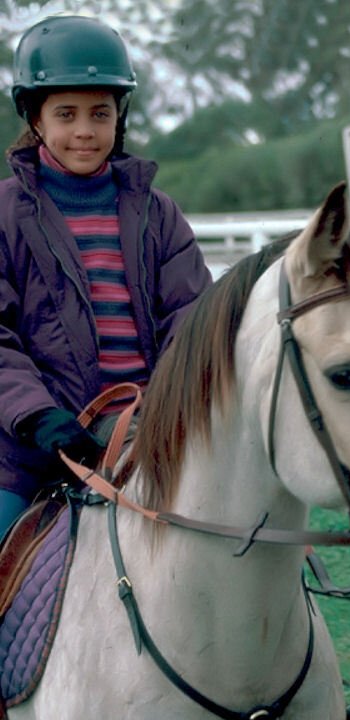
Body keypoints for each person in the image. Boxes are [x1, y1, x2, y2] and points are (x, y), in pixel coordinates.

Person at [0, 15, 212, 538]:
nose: (84, 131)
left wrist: (167, 406)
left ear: (120, 116)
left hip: (153, 430)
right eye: (66, 114)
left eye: (100, 113)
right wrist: (39, 417)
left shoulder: (158, 213)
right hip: (34, 444)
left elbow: (192, 317)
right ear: (35, 118)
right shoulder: (4, 213)